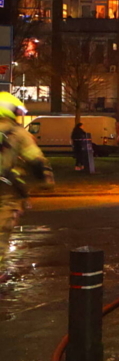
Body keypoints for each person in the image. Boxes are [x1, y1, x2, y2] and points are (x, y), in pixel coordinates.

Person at [0, 92, 54, 274]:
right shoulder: (18, 133)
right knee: (1, 231)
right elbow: (36, 160)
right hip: (7, 190)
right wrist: (45, 181)